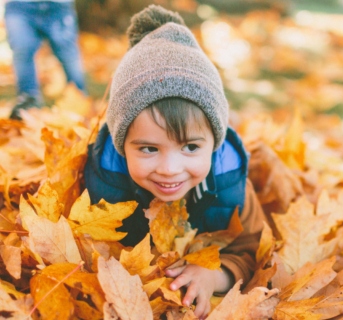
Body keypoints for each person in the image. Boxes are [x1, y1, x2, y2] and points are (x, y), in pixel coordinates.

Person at [83, 5, 265, 318]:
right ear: (122, 145)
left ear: (214, 143)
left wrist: (215, 274)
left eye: (191, 147)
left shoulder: (229, 186)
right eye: (149, 149)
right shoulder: (101, 186)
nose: (169, 169)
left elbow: (251, 250)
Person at [4, 0, 86, 120]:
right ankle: (28, 100)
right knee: (22, 50)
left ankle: (79, 98)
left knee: (67, 53)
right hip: (18, 6)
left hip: (58, 6)